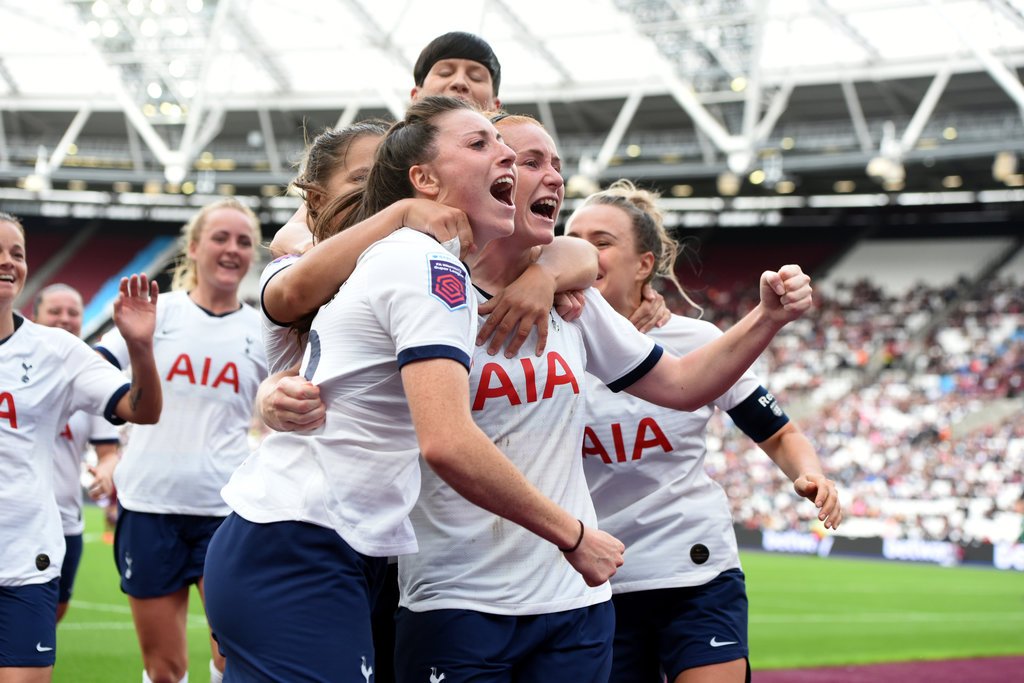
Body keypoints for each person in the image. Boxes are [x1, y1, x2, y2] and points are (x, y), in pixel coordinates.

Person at [202, 96, 626, 683]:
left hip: (345, 548)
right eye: (481, 145)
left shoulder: (420, 261)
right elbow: (447, 441)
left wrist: (549, 270)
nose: (505, 156)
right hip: (302, 542)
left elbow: (575, 251)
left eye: (503, 147)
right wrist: (574, 536)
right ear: (417, 182)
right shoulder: (422, 264)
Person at [385, 114, 814, 683]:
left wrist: (767, 317)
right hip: (461, 596)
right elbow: (437, 438)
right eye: (529, 161)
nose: (553, 179)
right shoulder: (425, 285)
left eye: (557, 165)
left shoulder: (575, 304)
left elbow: (682, 386)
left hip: (574, 603)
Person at [566, 181, 842, 683]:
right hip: (594, 579)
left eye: (602, 242)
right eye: (573, 238)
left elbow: (777, 431)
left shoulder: (694, 339)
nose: (584, 252)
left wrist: (810, 475)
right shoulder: (545, 340)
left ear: (644, 264)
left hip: (696, 567)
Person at [95, 199, 268, 683]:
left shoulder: (262, 329)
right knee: (165, 669)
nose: (232, 249)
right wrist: (106, 453)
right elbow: (91, 380)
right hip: (149, 506)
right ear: (193, 247)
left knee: (234, 656)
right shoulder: (156, 312)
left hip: (226, 514)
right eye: (220, 237)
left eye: (242, 241)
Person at [0, 212, 161, 683]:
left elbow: (142, 408)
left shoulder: (57, 351)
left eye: (17, 253)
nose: (8, 262)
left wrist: (141, 349)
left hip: (24, 557)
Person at [32, 283, 122, 623]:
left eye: (73, 313)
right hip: (13, 519)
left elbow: (107, 452)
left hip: (64, 522)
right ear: (35, 315)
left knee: (53, 615)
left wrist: (107, 470)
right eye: (55, 311)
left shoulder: (90, 379)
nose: (64, 319)